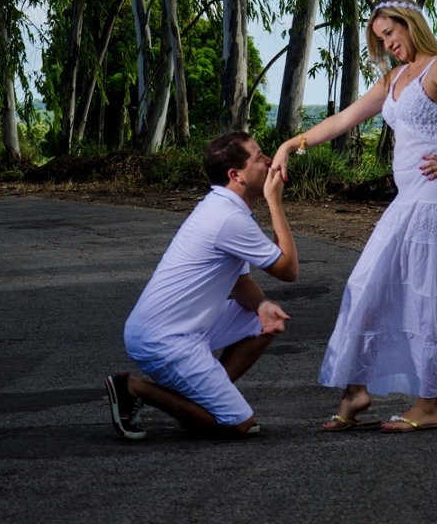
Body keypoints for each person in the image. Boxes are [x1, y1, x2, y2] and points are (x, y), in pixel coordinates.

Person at [276, 0, 437, 433]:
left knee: (429, 298)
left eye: (390, 32)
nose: (387, 42)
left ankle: (428, 405)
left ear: (409, 24)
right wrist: (291, 145)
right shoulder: (393, 78)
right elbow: (343, 119)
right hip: (407, 199)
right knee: (366, 284)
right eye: (380, 38)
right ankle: (357, 389)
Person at [105, 131, 298, 440]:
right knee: (238, 424)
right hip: (165, 339)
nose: (267, 161)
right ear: (236, 175)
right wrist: (275, 202)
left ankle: (202, 403)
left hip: (178, 327)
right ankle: (132, 388)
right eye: (258, 156)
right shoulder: (228, 218)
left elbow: (239, 281)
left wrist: (261, 305)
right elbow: (288, 270)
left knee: (261, 320)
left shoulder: (224, 208)